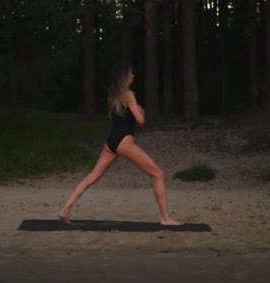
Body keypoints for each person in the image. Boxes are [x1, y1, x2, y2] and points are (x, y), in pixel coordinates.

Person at [58, 63, 183, 226]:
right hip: (124, 141)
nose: (133, 76)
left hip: (111, 141)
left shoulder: (114, 94)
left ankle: (65, 210)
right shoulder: (129, 94)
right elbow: (140, 121)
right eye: (131, 74)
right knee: (158, 174)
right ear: (124, 76)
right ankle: (165, 218)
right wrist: (141, 112)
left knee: (93, 176)